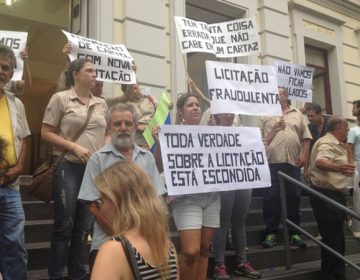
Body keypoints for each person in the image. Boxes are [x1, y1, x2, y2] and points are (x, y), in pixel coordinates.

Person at [78, 102, 166, 270]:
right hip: (107, 243)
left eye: (128, 123)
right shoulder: (97, 159)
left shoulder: (147, 158)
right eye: (117, 124)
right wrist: (123, 239)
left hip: (146, 242)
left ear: (135, 127)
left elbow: (156, 199)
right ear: (109, 128)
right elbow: (94, 207)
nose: (123, 128)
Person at [41, 58, 108, 279]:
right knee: (65, 226)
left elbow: (106, 133)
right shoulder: (60, 99)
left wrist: (103, 150)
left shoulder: (101, 103)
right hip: (67, 167)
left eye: (94, 71)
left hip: (93, 171)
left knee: (83, 229)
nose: (94, 74)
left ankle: (78, 275)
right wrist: (74, 147)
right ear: (75, 74)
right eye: (89, 71)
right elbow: (46, 133)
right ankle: (56, 275)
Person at [153, 93, 220, 280]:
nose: (195, 107)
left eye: (197, 104)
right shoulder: (171, 133)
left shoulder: (211, 132)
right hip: (186, 199)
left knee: (205, 249)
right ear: (181, 111)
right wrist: (159, 143)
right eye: (190, 105)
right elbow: (158, 167)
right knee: (191, 251)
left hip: (212, 197)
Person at [90, 160, 178, 280]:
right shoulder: (168, 247)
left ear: (119, 201)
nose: (102, 208)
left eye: (103, 199)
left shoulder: (113, 250)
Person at [209, 113, 261, 280]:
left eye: (232, 112)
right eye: (226, 111)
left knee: (239, 222)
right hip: (224, 182)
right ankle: (220, 264)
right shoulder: (210, 131)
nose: (230, 115)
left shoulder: (242, 132)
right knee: (223, 221)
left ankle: (242, 263)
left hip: (243, 181)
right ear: (218, 114)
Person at [260, 87, 312, 248]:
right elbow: (260, 140)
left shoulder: (297, 114)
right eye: (274, 92)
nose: (276, 95)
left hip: (293, 163)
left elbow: (306, 137)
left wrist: (304, 156)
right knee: (271, 197)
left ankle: (294, 233)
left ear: (286, 96)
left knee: (293, 197)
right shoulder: (265, 114)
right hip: (271, 163)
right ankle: (271, 232)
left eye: (280, 92)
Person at [310, 116, 355, 280]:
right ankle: (333, 275)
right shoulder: (326, 143)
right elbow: (320, 162)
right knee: (332, 238)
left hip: (334, 195)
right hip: (325, 195)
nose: (348, 131)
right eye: (346, 128)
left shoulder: (336, 144)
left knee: (336, 237)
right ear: (339, 128)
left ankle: (336, 272)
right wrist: (339, 167)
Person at [0, 44, 31, 280]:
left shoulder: (16, 104)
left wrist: (20, 167)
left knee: (16, 246)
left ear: (11, 74)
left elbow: (26, 139)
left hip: (10, 186)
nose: (1, 71)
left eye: (6, 68)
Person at [304, 103, 329, 181]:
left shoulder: (331, 123)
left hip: (331, 162)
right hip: (316, 165)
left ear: (320, 114)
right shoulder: (309, 128)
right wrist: (305, 169)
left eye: (312, 116)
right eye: (308, 116)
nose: (310, 118)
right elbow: (308, 150)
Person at [346, 99, 360, 238]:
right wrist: (351, 165)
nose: (352, 110)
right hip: (357, 165)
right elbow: (348, 148)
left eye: (354, 107)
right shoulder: (353, 130)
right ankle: (357, 227)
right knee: (358, 197)